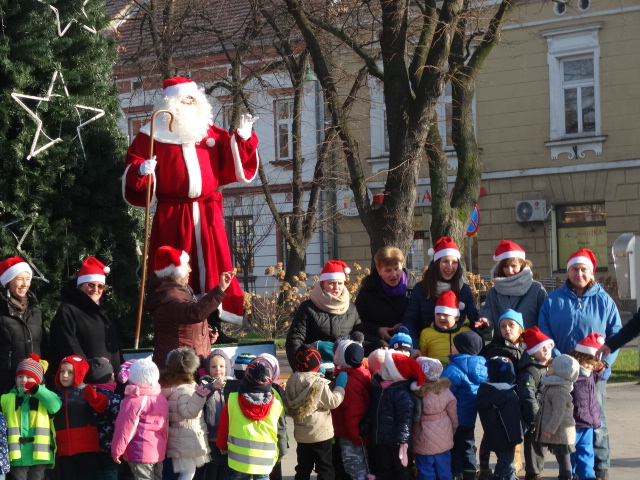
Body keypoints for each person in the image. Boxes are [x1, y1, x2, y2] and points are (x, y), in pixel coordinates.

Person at [123, 76, 258, 333]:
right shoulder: (151, 134)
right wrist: (141, 170)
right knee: (174, 270)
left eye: (192, 98)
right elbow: (132, 167)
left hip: (207, 212)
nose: (189, 101)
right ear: (170, 102)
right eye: (183, 98)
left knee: (214, 268)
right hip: (172, 214)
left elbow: (233, 161)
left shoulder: (208, 131)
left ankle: (214, 327)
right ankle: (174, 326)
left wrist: (244, 139)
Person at [538, 248, 622, 480]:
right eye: (574, 269)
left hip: (593, 374)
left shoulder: (604, 300)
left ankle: (600, 467)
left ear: (591, 272)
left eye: (584, 269)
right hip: (563, 374)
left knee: (596, 420)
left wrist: (604, 365)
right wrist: (560, 362)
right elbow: (545, 332)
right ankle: (571, 469)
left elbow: (616, 334)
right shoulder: (553, 300)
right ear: (568, 272)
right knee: (567, 421)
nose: (579, 274)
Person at [146, 245, 234, 367]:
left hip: (188, 364)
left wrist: (206, 332)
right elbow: (194, 313)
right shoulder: (168, 296)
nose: (190, 270)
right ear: (176, 272)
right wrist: (220, 290)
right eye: (187, 266)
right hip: (179, 368)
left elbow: (186, 324)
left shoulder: (180, 290)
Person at [49, 257, 121, 387]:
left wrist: (116, 375)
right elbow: (69, 346)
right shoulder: (68, 310)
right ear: (80, 285)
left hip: (108, 382)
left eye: (100, 286)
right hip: (84, 382)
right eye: (91, 285)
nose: (96, 289)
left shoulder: (104, 313)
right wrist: (89, 372)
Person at [402, 237, 480, 356]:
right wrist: (414, 346)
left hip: (459, 352)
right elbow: (410, 320)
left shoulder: (464, 289)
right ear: (436, 262)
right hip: (428, 350)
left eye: (454, 262)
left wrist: (484, 326)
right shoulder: (421, 288)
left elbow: (475, 322)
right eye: (445, 261)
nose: (450, 267)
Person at [217, 358, 287, 480]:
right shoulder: (276, 404)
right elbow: (281, 430)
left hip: (238, 460)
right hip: (265, 459)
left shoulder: (232, 400)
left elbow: (224, 426)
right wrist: (281, 452)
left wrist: (222, 445)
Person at [285, 260, 363, 370]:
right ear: (322, 284)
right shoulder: (308, 307)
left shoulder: (351, 308)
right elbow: (295, 340)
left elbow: (360, 336)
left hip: (344, 369)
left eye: (340, 283)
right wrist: (300, 367)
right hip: (314, 369)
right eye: (331, 283)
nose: (336, 287)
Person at [284, 345, 347, 480]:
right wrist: (340, 387)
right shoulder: (319, 384)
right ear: (317, 364)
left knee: (303, 467)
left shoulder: (292, 380)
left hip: (301, 435)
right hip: (320, 435)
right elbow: (333, 402)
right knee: (325, 468)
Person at [360, 351, 425, 480]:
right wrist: (365, 426)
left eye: (384, 365)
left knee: (401, 470)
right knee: (384, 469)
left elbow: (405, 418)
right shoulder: (379, 388)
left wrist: (403, 438)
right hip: (379, 439)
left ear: (392, 372)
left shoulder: (402, 393)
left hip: (396, 441)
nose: (380, 366)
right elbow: (372, 410)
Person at [477, 309, 525, 479]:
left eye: (511, 325)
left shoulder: (525, 348)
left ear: (521, 329)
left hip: (515, 397)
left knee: (513, 434)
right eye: (503, 326)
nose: (507, 329)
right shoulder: (495, 348)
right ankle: (485, 468)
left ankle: (511, 468)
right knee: (491, 434)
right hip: (497, 399)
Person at [0, 354, 61, 480]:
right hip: (16, 454)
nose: (23, 380)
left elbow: (55, 405)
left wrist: (37, 390)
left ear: (38, 380)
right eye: (20, 376)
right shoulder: (7, 398)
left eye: (29, 377)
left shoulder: (44, 397)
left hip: (40, 453)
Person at [53, 354, 109, 480]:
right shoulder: (55, 393)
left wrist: (95, 398)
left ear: (80, 373)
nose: (64, 375)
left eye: (70, 372)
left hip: (86, 448)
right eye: (62, 371)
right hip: (63, 449)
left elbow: (101, 406)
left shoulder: (87, 390)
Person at [111, 357, 169, 480]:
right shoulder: (161, 398)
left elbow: (124, 428)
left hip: (140, 451)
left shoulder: (133, 401)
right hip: (158, 449)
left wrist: (117, 451)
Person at [440, 331, 487, 480]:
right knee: (468, 446)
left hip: (454, 417)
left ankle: (456, 474)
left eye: (454, 345)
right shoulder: (482, 366)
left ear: (461, 348)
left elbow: (444, 391)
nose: (451, 347)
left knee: (454, 447)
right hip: (470, 417)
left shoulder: (454, 369)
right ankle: (470, 474)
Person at [161, 347, 211, 480]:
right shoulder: (185, 390)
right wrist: (199, 397)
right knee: (188, 473)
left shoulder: (168, 386)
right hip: (186, 439)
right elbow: (188, 412)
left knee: (184, 472)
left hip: (179, 438)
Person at [355, 246, 417, 353]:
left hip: (407, 346)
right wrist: (378, 330)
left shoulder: (414, 288)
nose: (394, 275)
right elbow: (357, 322)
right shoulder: (368, 290)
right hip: (379, 347)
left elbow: (421, 318)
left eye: (397, 269)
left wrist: (406, 325)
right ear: (379, 270)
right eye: (388, 270)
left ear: (402, 265)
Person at [477, 240, 547, 332]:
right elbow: (487, 312)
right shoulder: (493, 292)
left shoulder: (536, 289)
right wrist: (485, 321)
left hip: (531, 339)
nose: (509, 271)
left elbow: (545, 318)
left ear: (522, 265)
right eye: (505, 266)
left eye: (514, 266)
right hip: (502, 341)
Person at [0, 256, 44, 394]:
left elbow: (44, 347)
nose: (25, 284)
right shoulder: (1, 311)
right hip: (7, 386)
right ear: (8, 281)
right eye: (19, 279)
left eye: (28, 279)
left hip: (34, 386)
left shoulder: (36, 312)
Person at [516, 327, 555, 480]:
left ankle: (538, 469)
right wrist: (534, 417)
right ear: (532, 351)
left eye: (548, 346)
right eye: (541, 347)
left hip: (548, 412)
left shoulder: (550, 366)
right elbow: (528, 396)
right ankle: (533, 472)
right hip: (535, 414)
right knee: (534, 442)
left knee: (542, 443)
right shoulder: (530, 372)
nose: (546, 350)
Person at [331, 337, 372, 480]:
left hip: (351, 435)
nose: (334, 355)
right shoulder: (357, 374)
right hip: (352, 432)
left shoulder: (349, 382)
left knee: (355, 467)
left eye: (337, 353)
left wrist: (354, 436)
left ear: (344, 359)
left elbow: (353, 412)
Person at [567, 334, 606, 480]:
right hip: (575, 420)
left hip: (588, 419)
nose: (589, 367)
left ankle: (587, 474)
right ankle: (570, 473)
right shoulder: (573, 374)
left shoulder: (590, 374)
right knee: (570, 450)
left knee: (586, 449)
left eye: (592, 365)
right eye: (587, 363)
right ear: (579, 358)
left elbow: (598, 376)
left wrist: (601, 368)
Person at [534, 355, 580, 480]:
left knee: (563, 458)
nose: (548, 368)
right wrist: (537, 420)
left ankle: (566, 477)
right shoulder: (551, 386)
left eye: (551, 367)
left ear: (560, 371)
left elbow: (558, 413)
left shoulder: (560, 391)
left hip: (561, 433)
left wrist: (549, 429)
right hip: (557, 432)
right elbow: (543, 408)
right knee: (561, 457)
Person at [413, 357, 458, 480]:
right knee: (444, 465)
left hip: (422, 432)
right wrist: (454, 425)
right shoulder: (445, 390)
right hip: (443, 431)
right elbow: (452, 410)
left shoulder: (416, 391)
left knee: (425, 466)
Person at [198, 349, 234, 480]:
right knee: (211, 468)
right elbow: (200, 399)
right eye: (213, 366)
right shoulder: (204, 383)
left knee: (225, 469)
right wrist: (212, 387)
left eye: (222, 366)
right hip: (211, 435)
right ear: (208, 368)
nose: (218, 369)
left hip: (227, 435)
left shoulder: (231, 383)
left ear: (227, 367)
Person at [85, 357, 123, 480]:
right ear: (111, 378)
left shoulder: (83, 395)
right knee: (109, 474)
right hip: (109, 446)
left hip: (88, 445)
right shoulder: (115, 398)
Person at [418, 291, 473, 363]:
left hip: (460, 367)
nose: (441, 317)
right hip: (435, 368)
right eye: (438, 314)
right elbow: (421, 356)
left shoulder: (466, 332)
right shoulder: (426, 333)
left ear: (456, 317)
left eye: (446, 314)